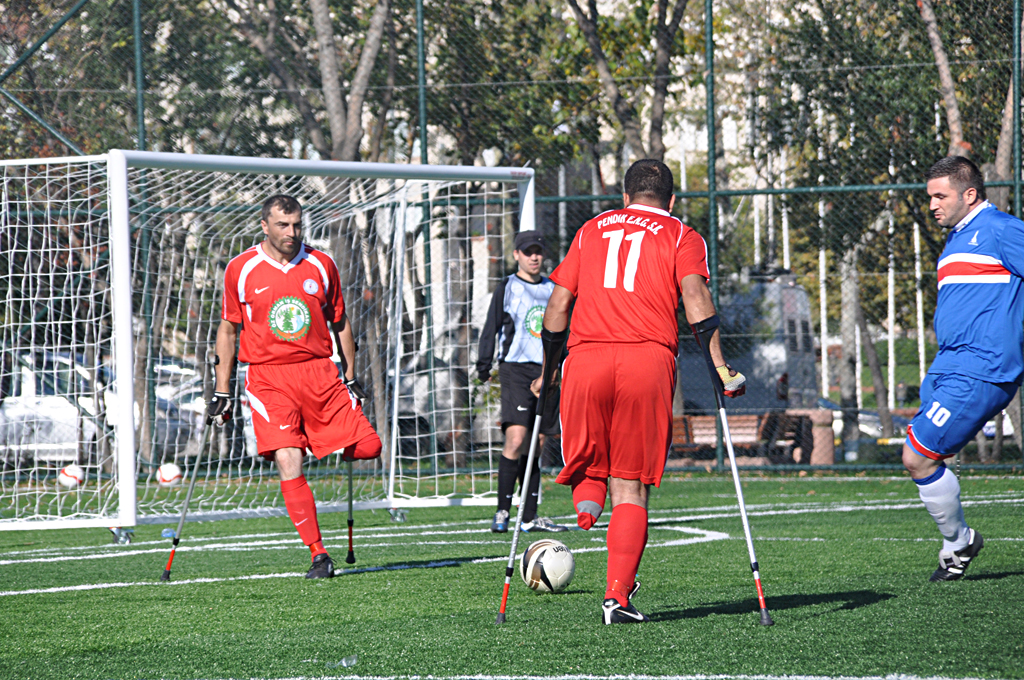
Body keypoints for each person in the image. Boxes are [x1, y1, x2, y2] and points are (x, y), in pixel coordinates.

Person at [538, 159, 745, 624]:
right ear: (671, 201)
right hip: (646, 361)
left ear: (625, 197)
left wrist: (551, 368)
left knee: (589, 453)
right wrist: (719, 367)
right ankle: (617, 597)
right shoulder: (681, 234)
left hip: (586, 357)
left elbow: (557, 303)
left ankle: (588, 493)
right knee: (629, 483)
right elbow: (696, 300)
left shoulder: (591, 229)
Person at [208, 194, 382, 579]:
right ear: (264, 225)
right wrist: (222, 389)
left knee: (370, 446)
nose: (292, 232)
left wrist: (350, 376)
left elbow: (341, 322)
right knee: (289, 458)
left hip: (320, 372)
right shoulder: (241, 268)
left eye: (297, 225)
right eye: (283, 225)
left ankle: (322, 439)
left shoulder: (322, 264)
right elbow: (228, 328)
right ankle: (319, 554)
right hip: (268, 376)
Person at [903, 156, 1024, 581]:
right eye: (929, 196)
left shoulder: (1000, 230)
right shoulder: (956, 240)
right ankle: (958, 543)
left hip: (982, 368)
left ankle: (959, 543)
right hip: (948, 367)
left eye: (941, 196)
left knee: (917, 455)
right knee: (924, 458)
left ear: (969, 194)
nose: (932, 204)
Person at [477, 230, 567, 534]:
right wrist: (484, 364)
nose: (534, 257)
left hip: (547, 371)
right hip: (515, 369)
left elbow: (563, 331)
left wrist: (555, 368)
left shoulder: (554, 288)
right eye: (527, 251)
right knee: (515, 438)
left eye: (538, 251)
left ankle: (529, 516)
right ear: (516, 254)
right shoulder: (508, 287)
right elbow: (492, 326)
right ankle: (502, 510)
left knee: (538, 444)